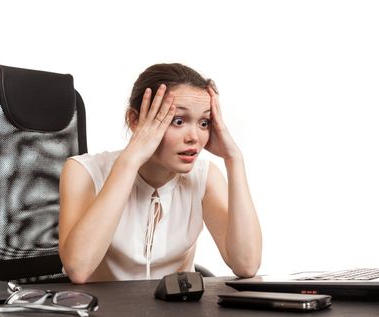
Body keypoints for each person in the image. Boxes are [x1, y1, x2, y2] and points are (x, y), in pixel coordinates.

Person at [58, 63, 262, 283]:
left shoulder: (205, 177)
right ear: (135, 121)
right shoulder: (83, 171)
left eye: (204, 122)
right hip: (102, 313)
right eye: (179, 121)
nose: (194, 136)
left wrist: (234, 159)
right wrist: (131, 159)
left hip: (177, 313)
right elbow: (78, 269)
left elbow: (246, 264)